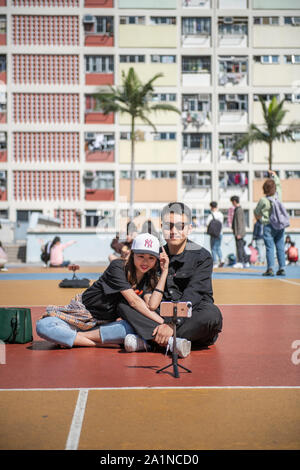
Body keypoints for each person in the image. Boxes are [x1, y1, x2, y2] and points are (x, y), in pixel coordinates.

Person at [36, 233, 173, 351]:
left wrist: (165, 271)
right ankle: (94, 342)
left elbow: (152, 305)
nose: (145, 262)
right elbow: (134, 301)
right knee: (44, 326)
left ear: (156, 260)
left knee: (132, 326)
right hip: (81, 315)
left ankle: (75, 338)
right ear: (132, 255)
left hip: (103, 325)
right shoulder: (118, 267)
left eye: (151, 258)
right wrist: (163, 323)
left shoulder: (148, 277)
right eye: (141, 256)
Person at [118, 202, 223, 354]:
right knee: (124, 305)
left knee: (213, 315)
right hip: (161, 315)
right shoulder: (154, 256)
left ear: (189, 228)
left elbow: (193, 295)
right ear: (162, 227)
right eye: (169, 226)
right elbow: (148, 293)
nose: (174, 231)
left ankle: (150, 341)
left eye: (180, 226)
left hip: (191, 315)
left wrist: (172, 325)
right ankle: (173, 342)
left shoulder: (202, 257)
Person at [254, 170, 286, 276]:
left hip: (268, 225)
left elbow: (256, 212)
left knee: (269, 247)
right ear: (274, 189)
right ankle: (282, 268)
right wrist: (274, 175)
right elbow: (278, 184)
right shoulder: (279, 196)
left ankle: (270, 269)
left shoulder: (263, 200)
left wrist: (259, 219)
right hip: (280, 225)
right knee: (280, 247)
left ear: (264, 189)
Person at [206, 201, 224, 268]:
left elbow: (207, 223)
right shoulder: (221, 214)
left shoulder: (211, 215)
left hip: (213, 234)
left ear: (211, 207)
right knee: (218, 247)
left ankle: (215, 262)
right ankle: (221, 259)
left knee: (213, 248)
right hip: (220, 233)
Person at [230, 195, 247, 268]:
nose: (232, 204)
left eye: (232, 202)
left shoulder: (239, 210)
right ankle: (245, 261)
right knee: (241, 247)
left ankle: (240, 261)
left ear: (234, 201)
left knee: (239, 247)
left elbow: (239, 222)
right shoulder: (238, 209)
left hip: (239, 233)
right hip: (238, 232)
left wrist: (239, 233)